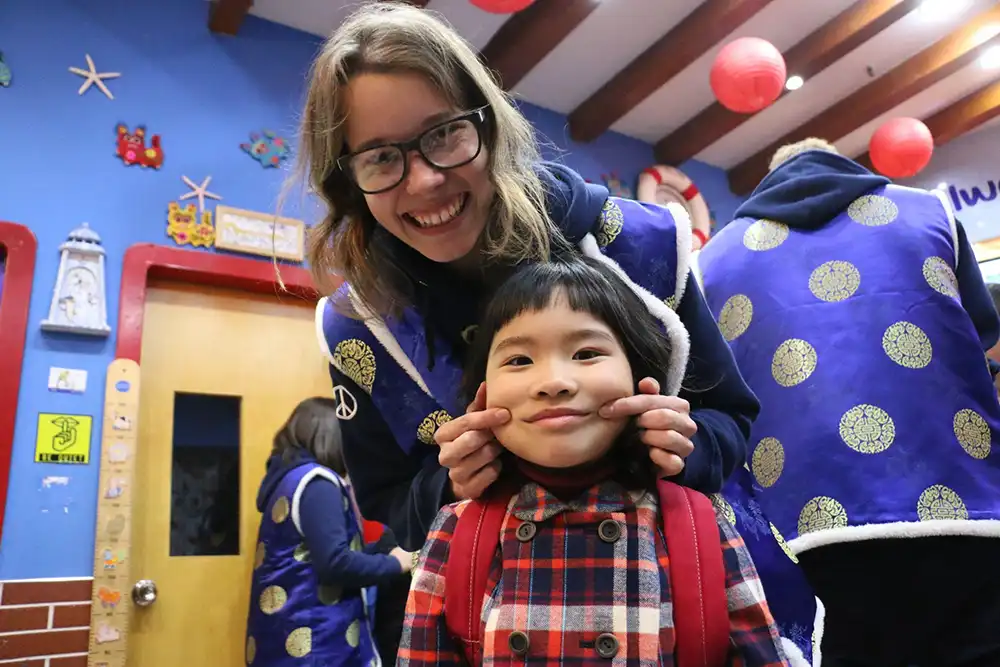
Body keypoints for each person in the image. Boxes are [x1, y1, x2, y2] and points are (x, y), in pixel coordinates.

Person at [301, 1, 758, 556]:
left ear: (487, 126)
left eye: (443, 134)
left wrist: (692, 447)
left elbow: (730, 415)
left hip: (674, 593)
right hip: (498, 615)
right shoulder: (359, 328)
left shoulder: (643, 248)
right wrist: (449, 486)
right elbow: (387, 502)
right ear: (348, 180)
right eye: (379, 158)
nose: (423, 182)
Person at [694, 137, 1000, 667]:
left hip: (803, 517)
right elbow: (981, 330)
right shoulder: (930, 211)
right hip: (963, 500)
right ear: (845, 164)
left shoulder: (712, 258)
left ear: (769, 177)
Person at [398, 257, 792, 666]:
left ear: (642, 382)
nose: (552, 382)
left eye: (586, 353)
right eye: (518, 360)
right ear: (481, 398)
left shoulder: (700, 527)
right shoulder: (455, 532)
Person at [246, 397, 413, 667]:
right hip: (317, 642)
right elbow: (335, 564)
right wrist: (396, 563)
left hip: (284, 634)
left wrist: (379, 552)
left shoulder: (287, 480)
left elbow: (315, 555)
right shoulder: (317, 482)